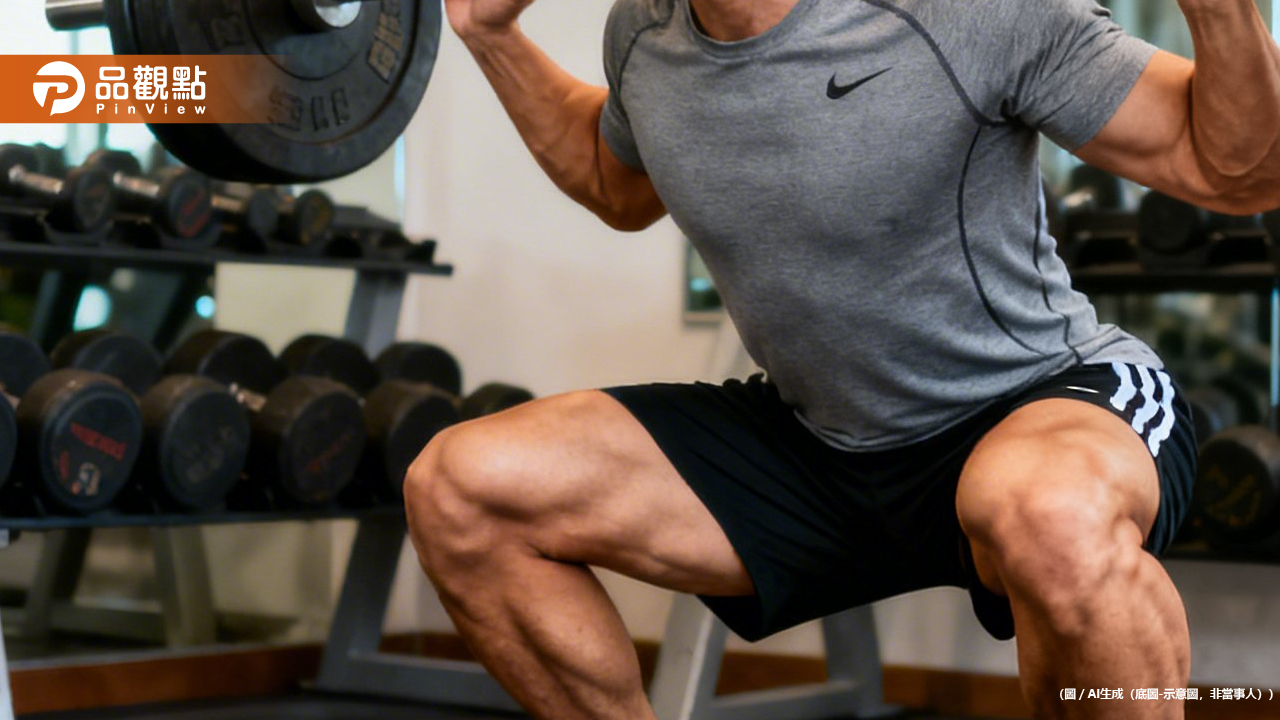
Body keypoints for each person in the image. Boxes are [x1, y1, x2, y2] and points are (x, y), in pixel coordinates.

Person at [403, 0, 1280, 717]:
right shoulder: (645, 33)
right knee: (462, 488)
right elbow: (615, 182)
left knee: (1049, 515)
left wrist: (1221, 11)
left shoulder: (968, 12)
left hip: (1034, 399)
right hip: (823, 441)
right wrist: (490, 35)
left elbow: (1239, 173)